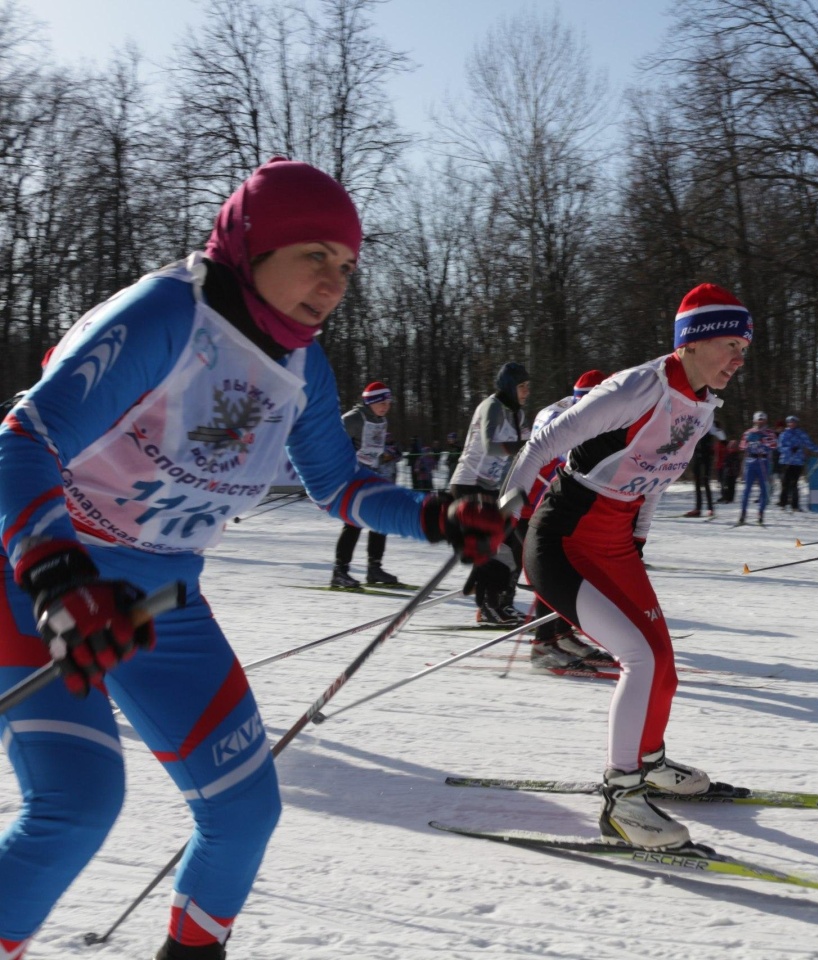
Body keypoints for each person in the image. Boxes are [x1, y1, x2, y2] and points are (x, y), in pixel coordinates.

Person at [0, 159, 504, 960]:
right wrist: (58, 576)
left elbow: (338, 484)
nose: (334, 281)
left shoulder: (303, 365)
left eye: (346, 265)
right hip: (40, 579)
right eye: (313, 253)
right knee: (77, 806)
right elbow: (24, 437)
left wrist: (436, 516)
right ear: (252, 243)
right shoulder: (170, 312)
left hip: (163, 597)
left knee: (243, 812)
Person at [499, 282, 751, 850]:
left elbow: (657, 478)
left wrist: (637, 537)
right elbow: (544, 441)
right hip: (563, 540)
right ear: (693, 342)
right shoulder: (641, 386)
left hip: (614, 541)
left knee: (663, 659)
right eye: (731, 345)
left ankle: (650, 761)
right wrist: (510, 499)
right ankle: (622, 798)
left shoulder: (701, 402)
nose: (739, 359)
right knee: (638, 658)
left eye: (744, 349)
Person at [519, 370, 614, 669]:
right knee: (553, 574)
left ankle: (561, 634)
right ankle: (542, 644)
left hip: (553, 505)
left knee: (573, 572)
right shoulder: (564, 422)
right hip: (531, 506)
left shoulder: (580, 412)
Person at [451, 361, 530, 623]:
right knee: (497, 546)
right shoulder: (492, 406)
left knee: (514, 543)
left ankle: (503, 602)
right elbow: (490, 447)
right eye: (521, 387)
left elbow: (531, 442)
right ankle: (488, 606)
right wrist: (521, 445)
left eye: (528, 386)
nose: (526, 392)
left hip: (491, 487)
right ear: (508, 386)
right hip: (468, 484)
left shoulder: (517, 414)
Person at [331, 381, 403, 587]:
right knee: (353, 522)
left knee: (380, 519)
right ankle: (340, 571)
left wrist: (386, 458)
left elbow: (374, 450)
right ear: (370, 401)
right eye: (382, 402)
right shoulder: (353, 418)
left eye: (388, 403)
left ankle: (374, 569)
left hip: (372, 476)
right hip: (351, 476)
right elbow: (333, 442)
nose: (386, 406)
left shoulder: (381, 420)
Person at [736, 411, 778, 525]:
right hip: (750, 461)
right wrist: (748, 440)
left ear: (765, 421)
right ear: (754, 420)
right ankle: (743, 514)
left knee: (764, 489)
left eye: (762, 420)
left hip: (763, 461)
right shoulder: (748, 432)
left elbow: (774, 445)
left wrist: (762, 440)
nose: (760, 422)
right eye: (758, 420)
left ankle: (760, 514)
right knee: (746, 490)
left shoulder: (769, 432)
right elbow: (741, 446)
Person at [777, 415, 818, 511]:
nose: (792, 424)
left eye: (793, 422)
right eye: (790, 422)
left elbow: (810, 445)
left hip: (798, 462)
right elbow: (780, 447)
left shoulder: (801, 434)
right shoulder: (784, 434)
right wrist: (789, 449)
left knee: (794, 483)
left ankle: (795, 505)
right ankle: (783, 503)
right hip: (786, 461)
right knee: (785, 483)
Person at [683, 425, 722, 518]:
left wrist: (717, 429)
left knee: (706, 481)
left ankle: (710, 508)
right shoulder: (695, 422)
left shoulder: (710, 424)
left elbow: (722, 436)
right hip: (696, 454)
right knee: (696, 481)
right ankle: (698, 509)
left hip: (707, 456)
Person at [718, 437, 741, 503]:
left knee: (731, 486)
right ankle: (726, 497)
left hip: (732, 472)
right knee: (727, 485)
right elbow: (726, 463)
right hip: (728, 472)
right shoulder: (728, 455)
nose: (731, 448)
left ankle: (730, 498)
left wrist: (736, 471)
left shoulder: (735, 455)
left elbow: (736, 464)